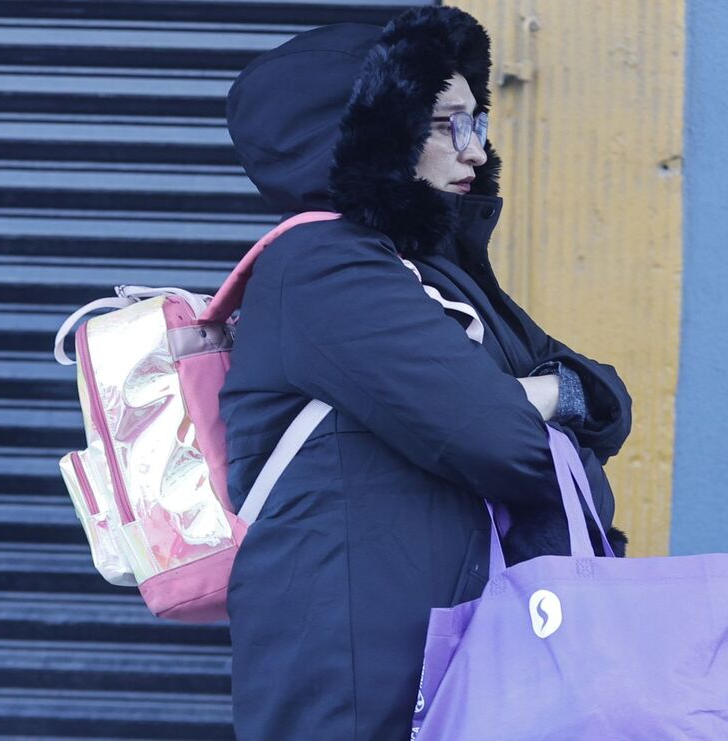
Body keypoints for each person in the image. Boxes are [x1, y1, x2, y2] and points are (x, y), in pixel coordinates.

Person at [219, 7, 632, 738]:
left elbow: (607, 400)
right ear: (369, 132)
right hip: (361, 681)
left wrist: (545, 395)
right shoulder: (323, 268)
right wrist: (543, 399)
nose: (476, 150)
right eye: (448, 125)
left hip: (457, 659)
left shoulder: (437, 274)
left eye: (478, 122)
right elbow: (504, 442)